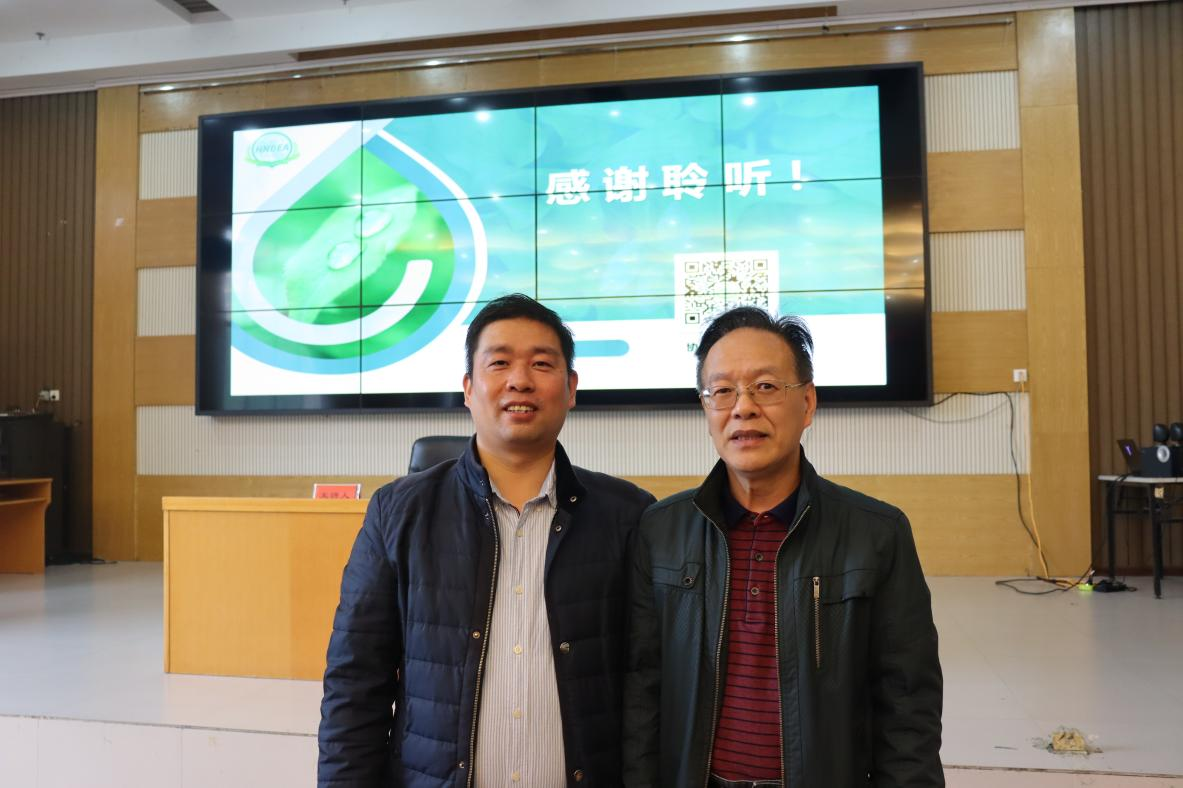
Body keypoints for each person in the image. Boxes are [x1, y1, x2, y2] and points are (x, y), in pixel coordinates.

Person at [319, 294, 655, 787]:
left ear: (571, 389)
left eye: (542, 364)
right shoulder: (399, 512)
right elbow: (355, 684)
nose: (520, 380)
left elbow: (648, 684)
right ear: (468, 389)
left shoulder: (628, 515)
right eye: (499, 363)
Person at [624, 306, 943, 788]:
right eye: (722, 391)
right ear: (706, 408)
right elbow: (642, 693)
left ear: (808, 403)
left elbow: (908, 709)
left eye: (766, 386)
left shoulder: (877, 533)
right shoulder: (660, 530)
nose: (743, 407)